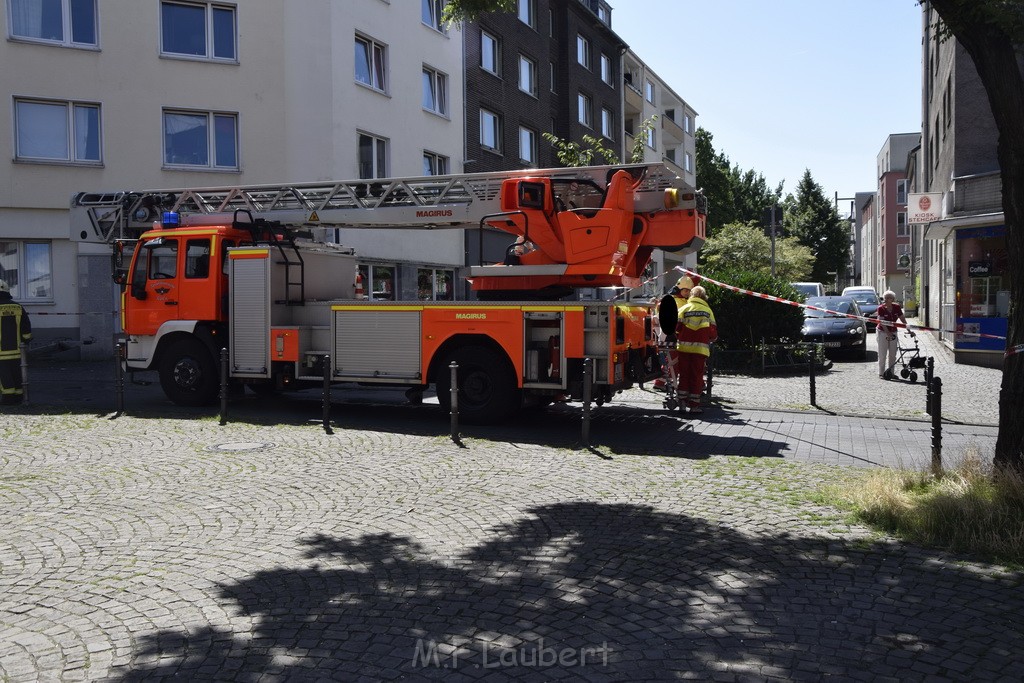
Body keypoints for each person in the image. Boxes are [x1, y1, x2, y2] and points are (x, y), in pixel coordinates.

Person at [675, 285, 717, 414]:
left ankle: (682, 403)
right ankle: (694, 406)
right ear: (704, 296)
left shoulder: (684, 308)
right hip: (700, 350)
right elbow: (713, 332)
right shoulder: (707, 311)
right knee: (697, 376)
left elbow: (676, 328)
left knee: (684, 375)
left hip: (684, 348)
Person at [0, 278, 32, 405]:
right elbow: (26, 328)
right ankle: (19, 396)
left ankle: (8, 398)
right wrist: (26, 341)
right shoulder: (18, 307)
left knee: (4, 375)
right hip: (18, 351)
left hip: (1, 352)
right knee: (17, 373)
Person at [874, 289, 911, 379]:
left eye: (888, 298)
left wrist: (909, 329)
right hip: (882, 331)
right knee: (882, 352)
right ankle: (881, 373)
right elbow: (881, 322)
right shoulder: (881, 308)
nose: (886, 300)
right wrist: (887, 332)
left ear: (892, 299)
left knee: (892, 353)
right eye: (885, 298)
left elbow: (902, 319)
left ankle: (891, 372)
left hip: (893, 331)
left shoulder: (896, 307)